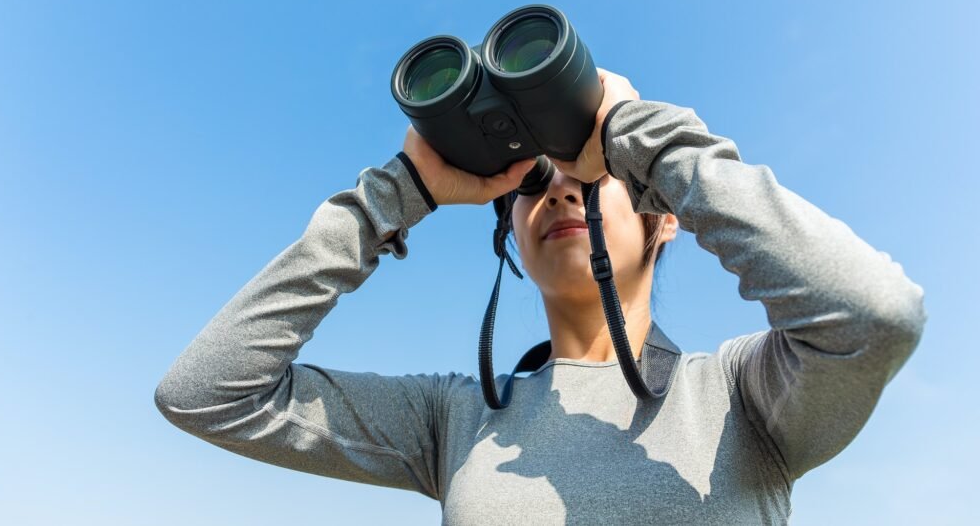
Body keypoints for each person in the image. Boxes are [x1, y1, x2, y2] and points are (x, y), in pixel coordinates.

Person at [154, 69, 926, 524]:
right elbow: (207, 394)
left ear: (664, 222)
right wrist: (396, 195)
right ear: (512, 242)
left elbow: (876, 313)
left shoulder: (741, 396)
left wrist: (637, 135)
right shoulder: (455, 420)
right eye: (531, 190)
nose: (556, 197)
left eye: (587, 183)